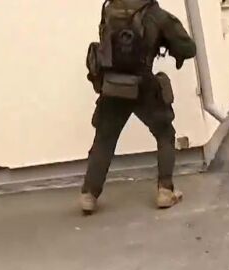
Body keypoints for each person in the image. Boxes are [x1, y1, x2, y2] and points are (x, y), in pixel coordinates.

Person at [80, 0, 197, 215]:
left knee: (104, 139)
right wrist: (164, 42)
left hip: (113, 85)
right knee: (165, 133)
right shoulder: (156, 14)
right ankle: (165, 191)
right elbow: (188, 48)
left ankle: (89, 195)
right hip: (143, 85)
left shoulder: (110, 9)